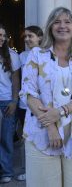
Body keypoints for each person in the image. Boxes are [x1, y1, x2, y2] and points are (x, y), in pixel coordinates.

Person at [19, 7, 72, 187]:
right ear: (50, 27)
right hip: (42, 132)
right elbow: (29, 93)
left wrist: (62, 111)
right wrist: (51, 127)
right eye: (57, 22)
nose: (62, 26)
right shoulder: (37, 55)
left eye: (67, 22)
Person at [16, 25, 43, 181]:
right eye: (25, 37)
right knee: (25, 139)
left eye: (30, 36)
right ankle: (27, 169)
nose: (27, 39)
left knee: (39, 138)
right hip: (23, 105)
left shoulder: (46, 53)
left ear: (39, 37)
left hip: (39, 106)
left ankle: (39, 170)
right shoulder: (22, 56)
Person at [0, 24, 21, 184]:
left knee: (6, 139)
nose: (1, 38)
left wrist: (14, 101)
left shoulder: (12, 55)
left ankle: (6, 171)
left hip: (6, 101)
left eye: (3, 35)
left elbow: (15, 82)